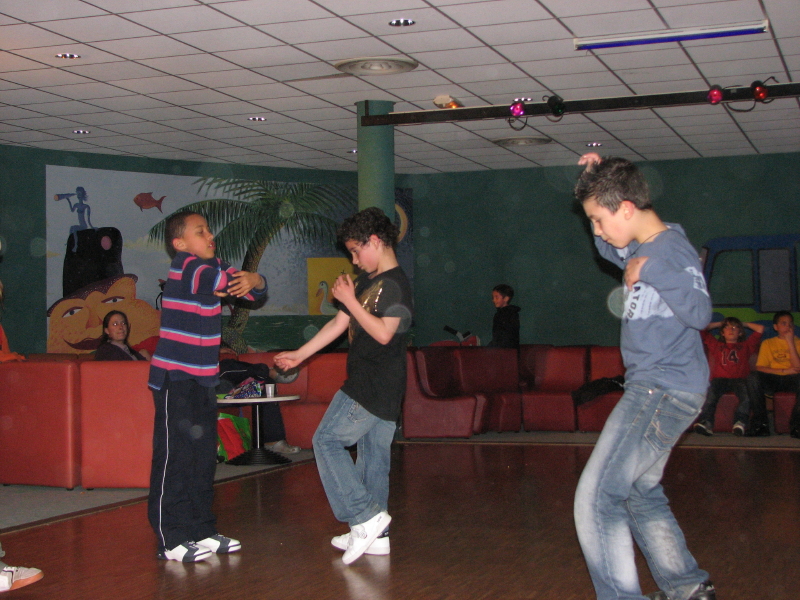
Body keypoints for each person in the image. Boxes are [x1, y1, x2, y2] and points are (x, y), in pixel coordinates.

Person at [572, 153, 716, 600]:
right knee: (638, 490)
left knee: (597, 497)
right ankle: (688, 586)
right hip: (663, 387)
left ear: (627, 208)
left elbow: (700, 311)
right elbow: (607, 249)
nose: (597, 231)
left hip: (662, 388)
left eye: (599, 219)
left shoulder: (668, 249)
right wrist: (593, 179)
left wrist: (648, 269)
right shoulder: (640, 247)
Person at [275, 207, 413, 565]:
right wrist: (300, 355)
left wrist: (351, 301)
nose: (353, 259)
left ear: (375, 241)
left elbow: (384, 334)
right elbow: (338, 324)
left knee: (326, 440)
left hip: (373, 383)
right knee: (373, 457)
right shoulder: (368, 281)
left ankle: (364, 517)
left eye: (356, 250)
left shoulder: (396, 284)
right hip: (378, 384)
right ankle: (375, 535)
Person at [147, 211, 266, 562]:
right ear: (180, 243)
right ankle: (171, 537)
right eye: (200, 231)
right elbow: (230, 284)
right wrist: (250, 279)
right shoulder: (186, 266)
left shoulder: (213, 267)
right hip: (174, 378)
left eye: (209, 230)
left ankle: (201, 529)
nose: (210, 235)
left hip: (202, 379)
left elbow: (253, 293)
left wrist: (255, 279)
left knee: (202, 458)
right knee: (175, 457)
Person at [693, 318, 763, 437]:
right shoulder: (717, 345)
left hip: (740, 379)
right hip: (720, 379)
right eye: (727, 328)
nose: (731, 330)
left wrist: (742, 323)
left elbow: (760, 329)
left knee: (746, 397)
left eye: (734, 328)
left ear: (740, 333)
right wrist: (720, 323)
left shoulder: (746, 345)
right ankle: (706, 422)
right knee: (710, 396)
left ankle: (740, 422)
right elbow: (702, 329)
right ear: (722, 332)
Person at [750, 311, 800, 438]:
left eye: (790, 324)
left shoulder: (798, 342)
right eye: (784, 323)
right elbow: (760, 367)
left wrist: (790, 342)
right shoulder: (768, 343)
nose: (788, 327)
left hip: (793, 379)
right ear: (775, 327)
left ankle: (797, 426)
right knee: (753, 377)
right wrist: (783, 371)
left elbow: (798, 368)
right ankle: (761, 425)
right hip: (773, 378)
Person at [486, 283, 520, 348]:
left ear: (506, 298)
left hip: (507, 350)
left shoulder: (511, 314)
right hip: (501, 349)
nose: (494, 300)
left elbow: (507, 336)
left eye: (497, 297)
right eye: (493, 297)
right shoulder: (498, 314)